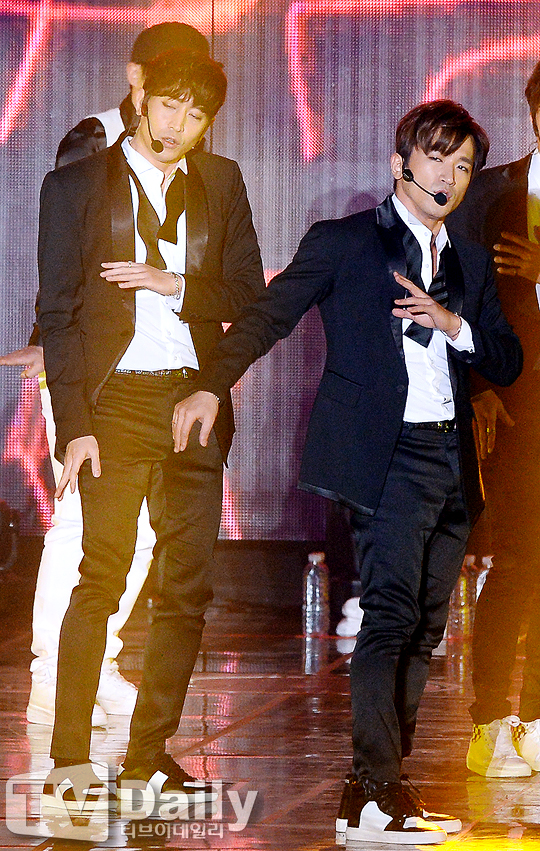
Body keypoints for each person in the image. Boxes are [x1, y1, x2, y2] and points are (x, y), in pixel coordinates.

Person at [173, 100, 522, 844]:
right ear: (400, 164)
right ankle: (374, 795)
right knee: (389, 617)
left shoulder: (468, 259)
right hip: (383, 456)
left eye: (464, 166)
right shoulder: (348, 242)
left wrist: (453, 324)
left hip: (451, 460)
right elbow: (268, 316)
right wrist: (209, 384)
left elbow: (508, 359)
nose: (449, 177)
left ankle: (376, 792)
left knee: (425, 627)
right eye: (436, 158)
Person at [38, 47, 264, 812]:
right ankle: (69, 757)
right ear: (140, 99)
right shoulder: (75, 186)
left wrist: (174, 284)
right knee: (101, 575)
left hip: (191, 399)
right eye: (170, 105)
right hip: (113, 405)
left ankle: (146, 758)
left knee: (186, 586)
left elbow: (247, 293)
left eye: (197, 115)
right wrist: (74, 426)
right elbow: (58, 315)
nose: (179, 125)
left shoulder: (220, 181)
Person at [0, 22, 210, 728]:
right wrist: (51, 348)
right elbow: (66, 265)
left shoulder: (193, 159)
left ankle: (97, 665)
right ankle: (54, 678)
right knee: (83, 524)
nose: (181, 110)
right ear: (137, 78)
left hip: (157, 375)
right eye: (169, 85)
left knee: (138, 531)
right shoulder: (95, 142)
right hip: (90, 374)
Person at [449, 61, 540, 778]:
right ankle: (488, 721)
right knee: (515, 560)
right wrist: (476, 387)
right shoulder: (492, 193)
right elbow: (459, 296)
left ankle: (535, 719)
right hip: (517, 407)